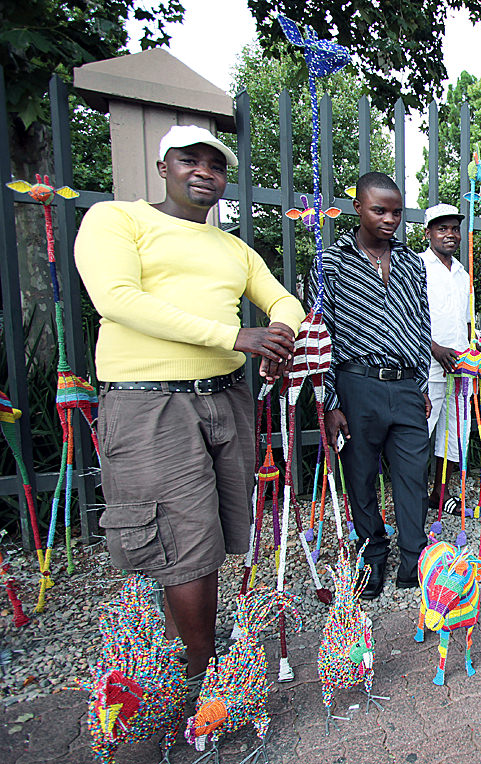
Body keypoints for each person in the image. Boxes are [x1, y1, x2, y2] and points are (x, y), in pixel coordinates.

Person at [75, 125, 305, 693]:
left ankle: (201, 653)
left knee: (218, 534)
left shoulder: (233, 248)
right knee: (183, 541)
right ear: (162, 167)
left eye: (215, 165)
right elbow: (117, 299)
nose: (204, 171)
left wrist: (278, 332)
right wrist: (233, 337)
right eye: (189, 161)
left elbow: (283, 299)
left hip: (224, 398)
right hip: (151, 401)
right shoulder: (117, 220)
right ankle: (203, 680)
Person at [310, 172, 432, 600]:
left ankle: (414, 560)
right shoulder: (331, 261)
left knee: (413, 475)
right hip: (356, 384)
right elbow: (319, 331)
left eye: (397, 212)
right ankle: (372, 558)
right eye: (379, 210)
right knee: (360, 478)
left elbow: (421, 321)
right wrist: (329, 401)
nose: (390, 220)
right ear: (358, 207)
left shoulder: (411, 262)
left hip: (404, 386)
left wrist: (420, 384)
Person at [419, 203, 473, 515]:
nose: (450, 234)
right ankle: (413, 497)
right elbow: (409, 318)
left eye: (454, 228)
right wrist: (435, 348)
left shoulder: (462, 273)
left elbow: (465, 321)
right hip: (429, 366)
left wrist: (472, 349)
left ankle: (440, 493)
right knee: (420, 430)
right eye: (442, 228)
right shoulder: (418, 267)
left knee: (455, 432)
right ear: (428, 233)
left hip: (462, 366)